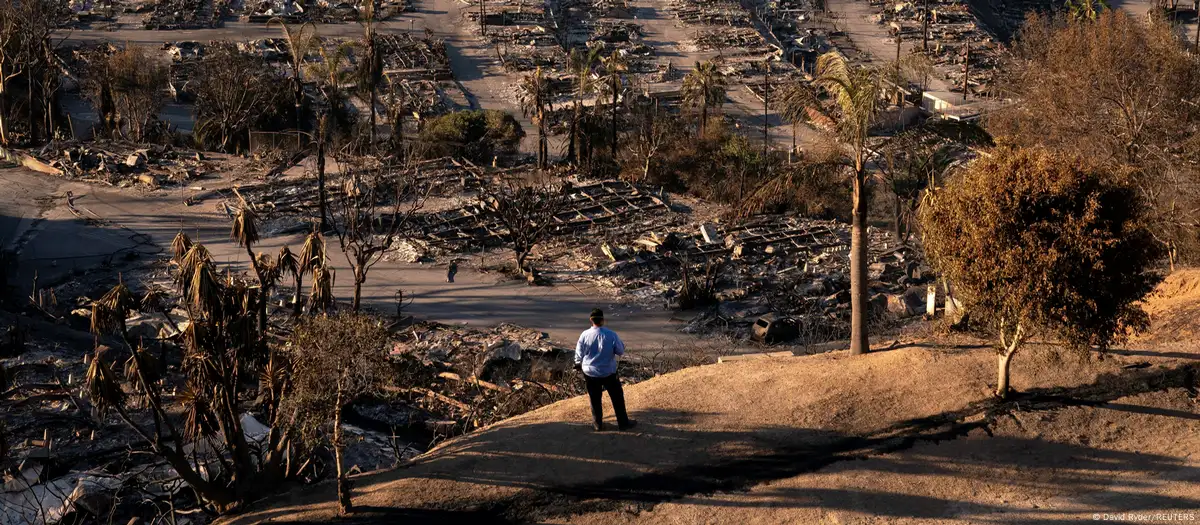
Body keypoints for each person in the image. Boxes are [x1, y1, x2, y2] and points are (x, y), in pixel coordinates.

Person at [575, 308, 636, 432]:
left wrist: (577, 363)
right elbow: (620, 351)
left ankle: (598, 424)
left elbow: (579, 353)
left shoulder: (584, 334)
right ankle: (623, 423)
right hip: (608, 371)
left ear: (590, 320)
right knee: (617, 397)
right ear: (602, 320)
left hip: (590, 371)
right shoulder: (611, 334)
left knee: (595, 398)